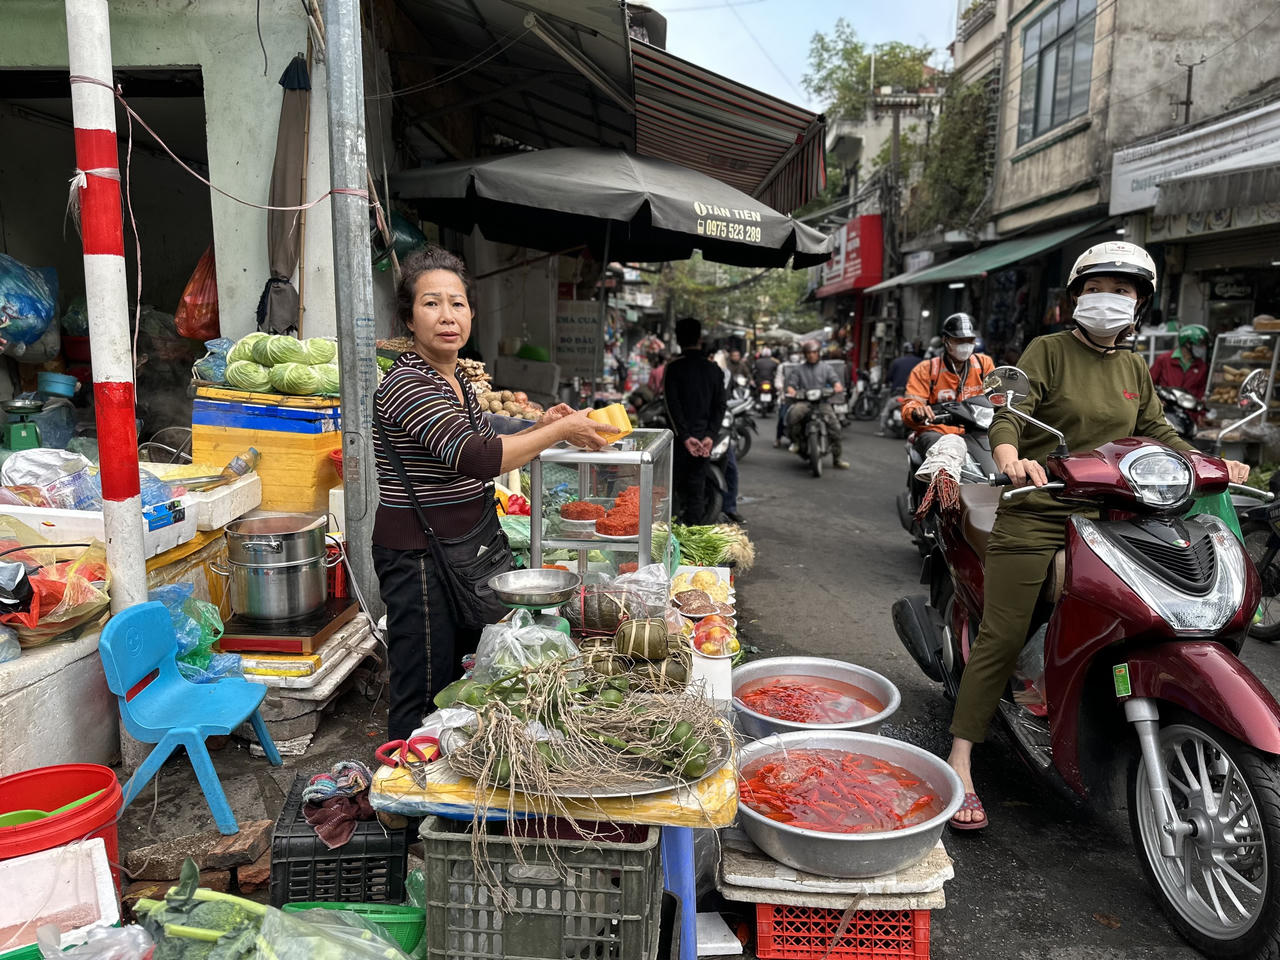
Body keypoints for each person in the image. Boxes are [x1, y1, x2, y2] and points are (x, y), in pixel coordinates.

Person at [944, 241, 1251, 829]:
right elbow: (1010, 409)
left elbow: (1157, 429)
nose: (1107, 299)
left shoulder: (1135, 366)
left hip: (1115, 511)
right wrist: (1011, 457)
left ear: (1139, 305)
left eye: (1122, 291)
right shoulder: (1048, 350)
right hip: (1040, 506)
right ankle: (961, 756)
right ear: (1076, 297)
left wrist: (1210, 462)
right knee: (1003, 635)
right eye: (1096, 288)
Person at [373, 247, 617, 741]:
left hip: (465, 544)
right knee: (422, 683)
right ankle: (400, 805)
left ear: (471, 314)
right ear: (408, 317)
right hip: (420, 557)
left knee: (466, 675)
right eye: (431, 304)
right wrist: (561, 429)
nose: (447, 316)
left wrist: (541, 422)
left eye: (458, 304)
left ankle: (454, 783)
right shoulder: (405, 384)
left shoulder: (455, 374)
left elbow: (483, 427)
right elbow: (478, 457)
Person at [665, 317, 727, 524]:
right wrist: (710, 436)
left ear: (678, 339)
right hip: (703, 442)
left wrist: (685, 436)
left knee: (672, 487)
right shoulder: (714, 370)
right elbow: (720, 407)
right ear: (700, 338)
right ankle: (693, 535)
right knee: (696, 490)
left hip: (680, 442)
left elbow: (672, 408)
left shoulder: (674, 369)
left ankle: (672, 536)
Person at [900, 314, 995, 447]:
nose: (966, 345)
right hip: (936, 432)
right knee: (944, 451)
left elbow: (997, 396)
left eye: (970, 340)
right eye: (959, 340)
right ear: (946, 340)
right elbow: (911, 405)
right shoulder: (926, 369)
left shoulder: (984, 364)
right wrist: (917, 412)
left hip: (975, 432)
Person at [784, 340, 848, 468]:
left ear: (818, 353)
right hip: (804, 402)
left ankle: (837, 459)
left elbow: (836, 381)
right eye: (808, 353)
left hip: (822, 402)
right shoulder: (798, 369)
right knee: (792, 416)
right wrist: (792, 392)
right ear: (805, 354)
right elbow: (791, 385)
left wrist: (837, 387)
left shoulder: (827, 368)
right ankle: (796, 442)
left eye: (814, 352)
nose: (811, 355)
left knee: (835, 427)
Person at [1149, 324, 1209, 399]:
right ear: (1187, 344)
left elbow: (1200, 392)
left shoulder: (1201, 366)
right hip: (1164, 408)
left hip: (1189, 408)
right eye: (1200, 345)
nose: (1203, 348)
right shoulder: (1164, 360)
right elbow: (1148, 384)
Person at [878, 340, 924, 435]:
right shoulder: (920, 362)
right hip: (915, 394)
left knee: (886, 410)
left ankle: (882, 430)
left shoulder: (896, 362)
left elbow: (889, 377)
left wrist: (886, 382)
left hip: (897, 393)